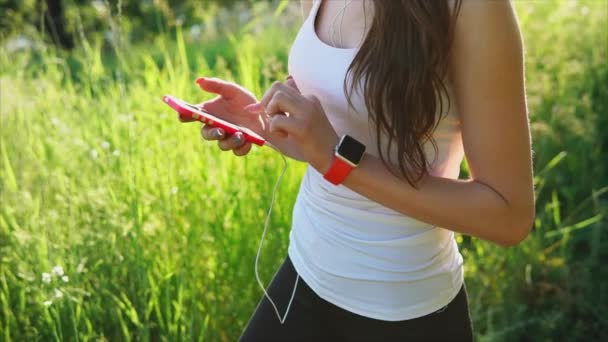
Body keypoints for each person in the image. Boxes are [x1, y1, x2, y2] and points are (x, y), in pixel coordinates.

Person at [184, 0, 535, 340]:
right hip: (305, 270)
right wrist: (261, 122)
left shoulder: (476, 7)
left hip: (403, 309)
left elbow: (508, 215)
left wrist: (338, 161)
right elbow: (336, 127)